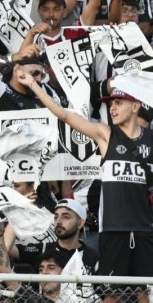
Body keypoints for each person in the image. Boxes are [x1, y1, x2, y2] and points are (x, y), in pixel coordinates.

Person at [19, 73, 153, 281]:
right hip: (112, 230)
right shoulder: (105, 134)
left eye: (119, 103)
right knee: (111, 296)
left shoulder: (151, 140)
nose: (113, 108)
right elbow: (65, 116)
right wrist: (34, 86)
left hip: (144, 230)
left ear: (135, 106)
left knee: (144, 293)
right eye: (111, 104)